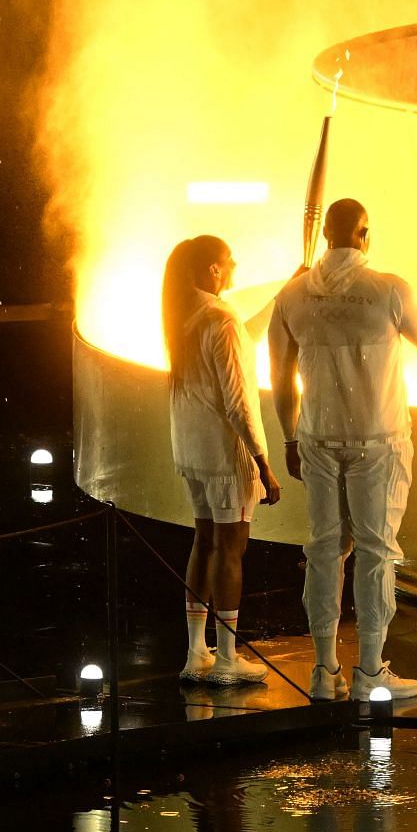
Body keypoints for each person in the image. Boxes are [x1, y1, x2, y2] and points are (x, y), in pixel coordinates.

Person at [271, 198, 417, 702]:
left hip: (317, 439)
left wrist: (289, 436)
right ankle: (370, 670)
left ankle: (323, 670)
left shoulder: (293, 295)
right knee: (375, 553)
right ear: (365, 234)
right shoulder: (391, 290)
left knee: (325, 550)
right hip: (380, 441)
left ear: (326, 234)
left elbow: (279, 377)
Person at [163, 235, 282, 685]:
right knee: (232, 550)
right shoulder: (220, 319)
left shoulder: (184, 314)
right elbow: (238, 403)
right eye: (229, 261)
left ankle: (197, 652)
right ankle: (229, 657)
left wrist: (281, 295)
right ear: (213, 269)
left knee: (204, 542)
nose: (234, 267)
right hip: (225, 453)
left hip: (191, 451)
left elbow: (241, 336)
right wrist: (263, 461)